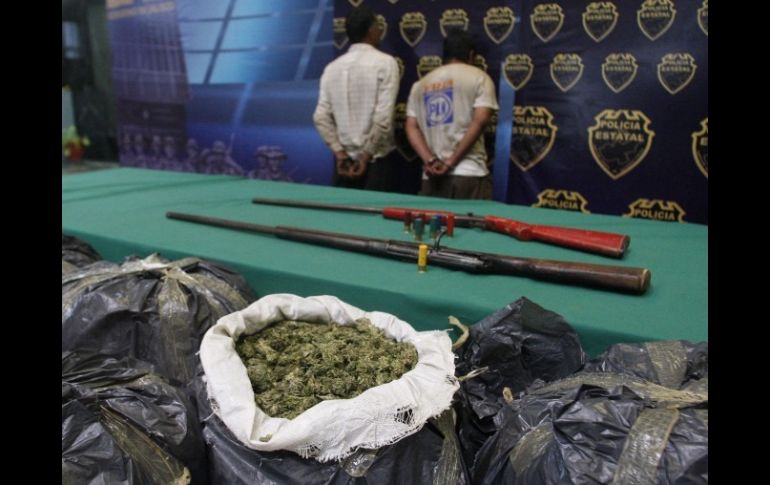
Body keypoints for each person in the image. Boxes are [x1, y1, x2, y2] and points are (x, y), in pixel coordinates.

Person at [313, 5, 399, 190]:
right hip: (375, 164)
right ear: (371, 31)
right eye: (378, 26)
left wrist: (339, 153)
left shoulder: (332, 68)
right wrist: (365, 156)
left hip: (344, 164)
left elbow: (320, 117)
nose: (380, 31)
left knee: (342, 209)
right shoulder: (386, 63)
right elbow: (383, 120)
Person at [405, 30, 499, 199]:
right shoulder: (480, 78)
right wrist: (450, 162)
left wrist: (430, 160)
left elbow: (411, 127)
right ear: (471, 55)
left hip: (431, 177)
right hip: (468, 173)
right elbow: (480, 121)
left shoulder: (420, 85)